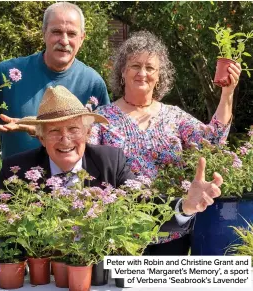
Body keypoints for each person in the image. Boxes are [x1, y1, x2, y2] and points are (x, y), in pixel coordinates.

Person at [0, 85, 222, 255]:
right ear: (40, 136)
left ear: (88, 132)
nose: (65, 140)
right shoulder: (20, 168)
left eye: (74, 129)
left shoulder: (110, 161)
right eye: (54, 131)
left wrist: (184, 206)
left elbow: (147, 207)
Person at [88, 30, 241, 255]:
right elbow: (84, 167)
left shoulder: (174, 116)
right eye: (135, 66)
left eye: (150, 68)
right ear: (123, 71)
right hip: (118, 232)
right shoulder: (101, 118)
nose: (143, 73)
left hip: (172, 229)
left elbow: (213, 140)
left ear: (159, 76)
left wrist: (227, 94)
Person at [0, 2, 110, 159]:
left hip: (72, 182)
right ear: (44, 33)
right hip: (17, 180)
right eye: (56, 32)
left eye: (72, 34)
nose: (64, 40)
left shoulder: (92, 83)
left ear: (82, 38)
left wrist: (41, 130)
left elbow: (104, 137)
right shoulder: (11, 73)